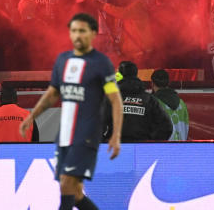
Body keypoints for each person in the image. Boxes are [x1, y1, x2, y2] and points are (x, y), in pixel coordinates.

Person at [19, 13, 122, 210]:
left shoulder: (101, 64)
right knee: (73, 192)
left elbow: (115, 100)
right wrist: (31, 116)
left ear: (93, 34)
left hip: (87, 134)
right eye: (73, 31)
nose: (77, 35)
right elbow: (52, 94)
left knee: (67, 184)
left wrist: (116, 134)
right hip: (65, 134)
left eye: (82, 31)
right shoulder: (63, 60)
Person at [107, 60, 172, 142]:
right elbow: (166, 127)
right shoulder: (149, 100)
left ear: (120, 75)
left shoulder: (111, 99)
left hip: (117, 150)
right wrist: (149, 142)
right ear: (136, 75)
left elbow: (97, 124)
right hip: (141, 151)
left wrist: (105, 141)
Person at [150, 68, 190, 141]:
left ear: (152, 83)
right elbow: (186, 128)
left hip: (162, 148)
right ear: (168, 83)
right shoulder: (181, 103)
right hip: (180, 147)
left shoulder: (153, 103)